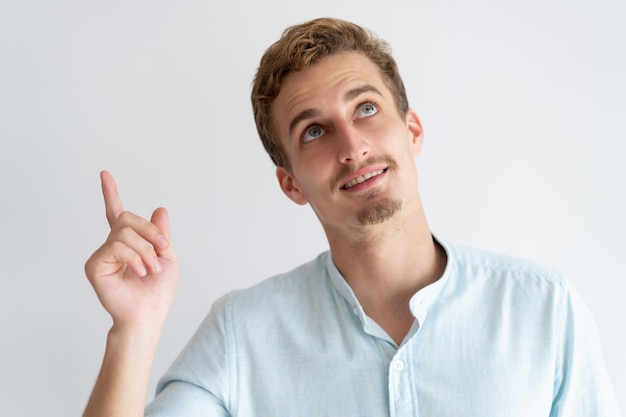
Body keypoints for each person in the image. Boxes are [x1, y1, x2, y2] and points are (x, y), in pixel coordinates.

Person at [83, 17, 621, 417]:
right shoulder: (241, 335)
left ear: (411, 130)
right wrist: (134, 330)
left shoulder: (543, 310)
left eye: (366, 108)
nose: (352, 145)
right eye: (313, 131)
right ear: (290, 182)